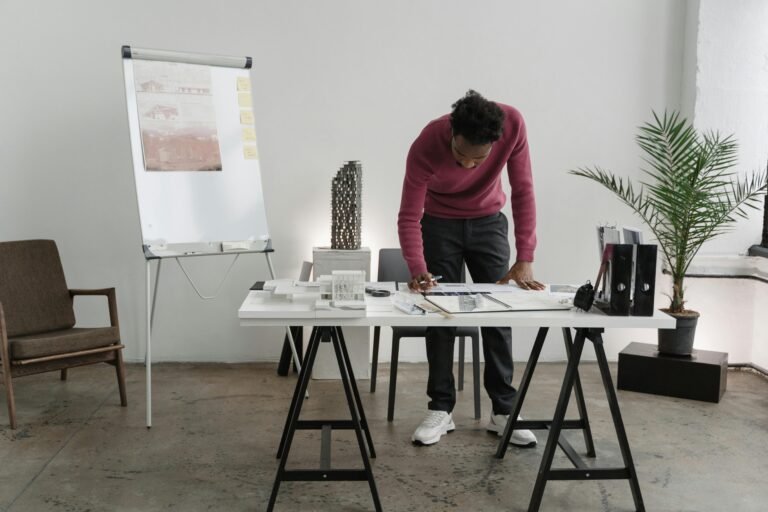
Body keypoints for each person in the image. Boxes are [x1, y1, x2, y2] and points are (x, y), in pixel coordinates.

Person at [397, 90, 544, 446]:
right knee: (440, 314)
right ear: (451, 133)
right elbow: (409, 215)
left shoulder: (514, 126)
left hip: (489, 223)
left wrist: (525, 257)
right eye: (460, 155)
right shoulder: (427, 144)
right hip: (439, 224)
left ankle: (504, 410)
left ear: (495, 142)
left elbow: (522, 189)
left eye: (477, 160)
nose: (466, 166)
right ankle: (441, 409)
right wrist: (417, 266)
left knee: (499, 314)